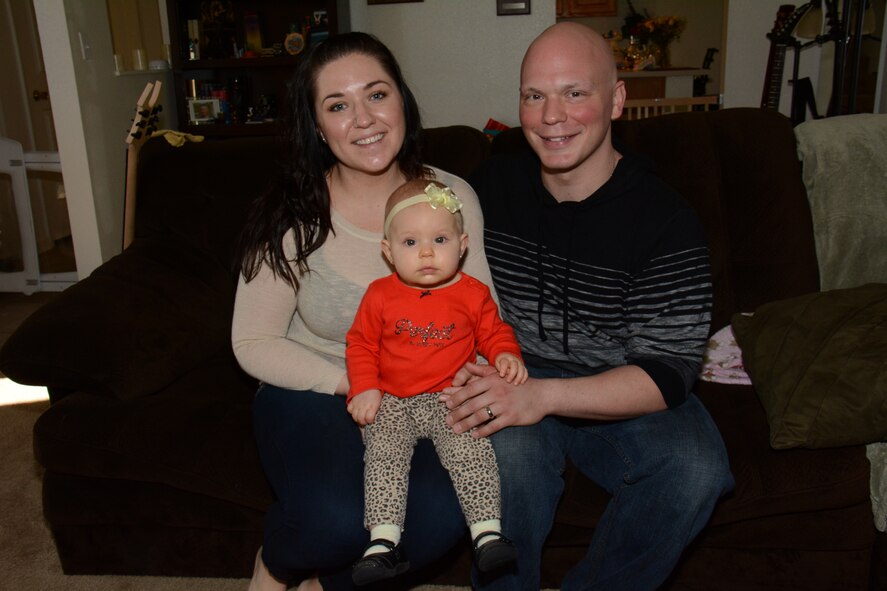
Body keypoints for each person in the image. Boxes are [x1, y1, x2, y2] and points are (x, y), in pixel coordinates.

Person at [440, 22, 735, 591]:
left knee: (697, 469)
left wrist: (543, 396)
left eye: (576, 92)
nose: (552, 116)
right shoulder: (486, 193)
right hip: (510, 366)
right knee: (510, 468)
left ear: (617, 100)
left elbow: (668, 372)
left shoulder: (667, 221)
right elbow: (410, 248)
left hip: (618, 378)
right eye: (535, 95)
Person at [232, 32, 497, 591]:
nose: (363, 119)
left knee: (445, 519)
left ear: (402, 99)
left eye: (376, 95)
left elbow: (481, 318)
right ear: (318, 127)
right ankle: (276, 564)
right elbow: (253, 342)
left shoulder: (451, 197)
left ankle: (323, 588)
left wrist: (474, 380)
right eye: (337, 105)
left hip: (425, 395)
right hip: (313, 387)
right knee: (332, 519)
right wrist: (352, 381)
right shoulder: (293, 213)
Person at [346, 179, 526, 585]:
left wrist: (505, 354)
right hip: (391, 398)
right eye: (411, 243)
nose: (427, 252)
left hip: (449, 397)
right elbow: (360, 344)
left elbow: (493, 331)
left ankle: (487, 533)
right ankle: (383, 543)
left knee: (472, 451)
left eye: (440, 239)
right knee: (383, 456)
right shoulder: (379, 294)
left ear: (462, 244)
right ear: (388, 251)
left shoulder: (473, 293)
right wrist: (364, 386)